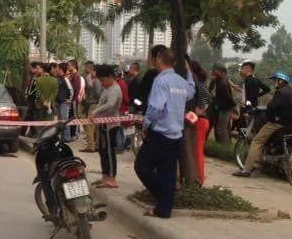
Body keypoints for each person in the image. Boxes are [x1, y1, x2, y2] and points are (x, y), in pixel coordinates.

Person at [135, 47, 195, 219]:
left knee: (142, 166)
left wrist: (146, 125)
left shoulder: (160, 81)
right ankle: (163, 209)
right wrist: (189, 72)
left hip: (160, 133)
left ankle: (163, 195)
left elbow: (156, 108)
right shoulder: (181, 81)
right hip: (176, 134)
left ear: (159, 60)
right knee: (168, 172)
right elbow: (191, 92)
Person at [234, 71, 292, 178]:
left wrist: (271, 118)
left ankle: (246, 170)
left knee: (257, 141)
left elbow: (271, 107)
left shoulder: (280, 92)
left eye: (275, 80)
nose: (274, 82)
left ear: (281, 80)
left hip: (279, 124)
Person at [90, 65, 122, 189]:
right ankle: (105, 176)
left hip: (111, 125)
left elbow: (110, 104)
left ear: (109, 77)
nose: (102, 83)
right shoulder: (107, 88)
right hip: (103, 124)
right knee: (103, 151)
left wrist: (95, 112)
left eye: (103, 80)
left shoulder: (114, 89)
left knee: (109, 152)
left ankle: (112, 179)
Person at [188, 59, 211, 186]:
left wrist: (189, 117)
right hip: (201, 121)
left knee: (197, 152)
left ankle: (199, 180)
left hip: (199, 121)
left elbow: (200, 108)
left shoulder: (198, 85)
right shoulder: (201, 84)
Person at [208, 62, 236, 144]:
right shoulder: (219, 80)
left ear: (221, 71)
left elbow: (228, 97)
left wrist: (233, 107)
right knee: (224, 127)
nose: (213, 71)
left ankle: (225, 146)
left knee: (222, 128)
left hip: (225, 108)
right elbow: (210, 89)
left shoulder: (222, 84)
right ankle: (225, 144)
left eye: (215, 70)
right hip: (222, 107)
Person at [80, 61, 102, 152]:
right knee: (95, 127)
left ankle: (91, 146)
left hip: (94, 105)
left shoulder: (95, 81)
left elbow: (98, 94)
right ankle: (96, 145)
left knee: (90, 126)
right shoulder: (95, 80)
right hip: (94, 104)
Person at [67, 59, 85, 141]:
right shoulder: (71, 75)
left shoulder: (76, 76)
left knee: (74, 116)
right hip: (71, 100)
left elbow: (76, 90)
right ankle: (72, 133)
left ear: (73, 66)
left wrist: (72, 99)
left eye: (69, 65)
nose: (67, 66)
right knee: (71, 116)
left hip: (73, 100)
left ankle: (74, 134)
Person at [55, 63, 74, 137]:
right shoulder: (58, 78)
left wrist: (70, 99)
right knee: (60, 121)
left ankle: (67, 137)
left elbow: (71, 89)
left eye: (57, 68)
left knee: (65, 120)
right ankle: (62, 136)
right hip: (59, 102)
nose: (56, 69)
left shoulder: (65, 78)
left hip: (64, 103)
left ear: (61, 69)